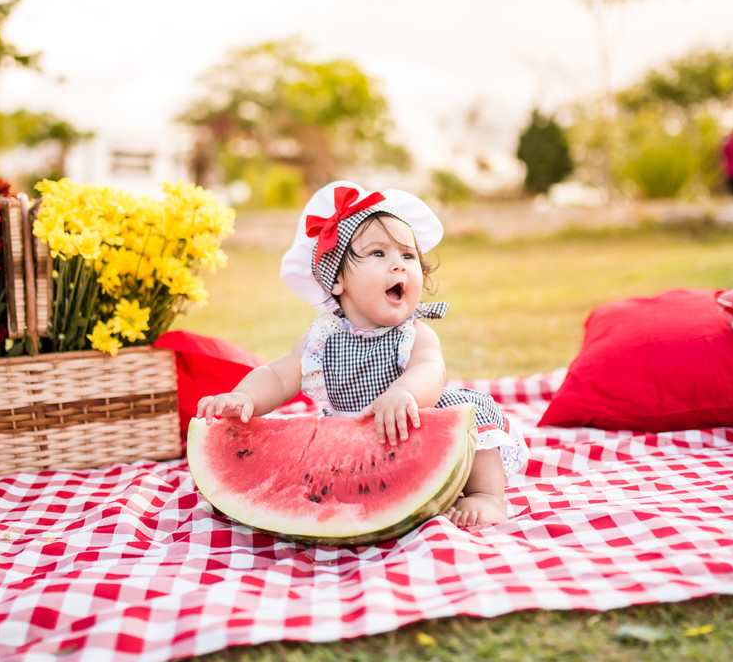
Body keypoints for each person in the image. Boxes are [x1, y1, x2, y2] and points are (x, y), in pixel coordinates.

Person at [197, 181, 528, 527]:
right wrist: (244, 397)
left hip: (412, 427)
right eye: (378, 253)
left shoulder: (414, 334)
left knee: (473, 417)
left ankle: (487, 495)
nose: (399, 265)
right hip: (352, 449)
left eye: (408, 255)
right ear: (336, 280)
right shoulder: (322, 338)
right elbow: (279, 375)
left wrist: (404, 393)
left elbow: (431, 370)